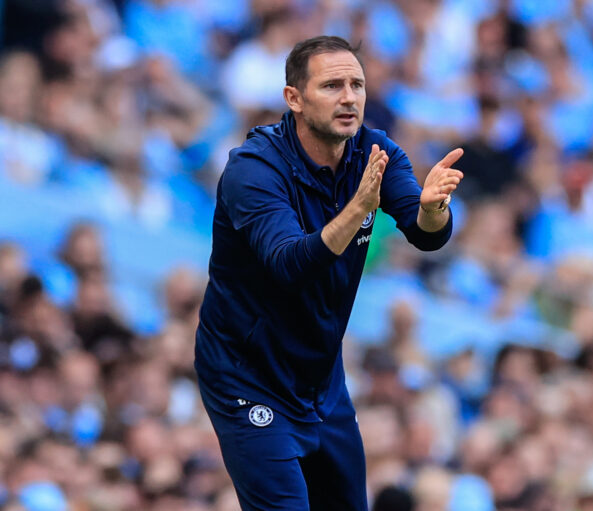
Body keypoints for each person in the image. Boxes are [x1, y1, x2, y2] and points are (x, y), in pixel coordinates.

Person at [194, 36, 464, 511]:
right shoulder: (254, 169)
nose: (349, 97)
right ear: (293, 98)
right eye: (332, 85)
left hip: (320, 378)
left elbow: (427, 235)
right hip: (247, 376)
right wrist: (358, 208)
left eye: (357, 84)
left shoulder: (375, 152)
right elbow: (288, 264)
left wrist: (433, 207)